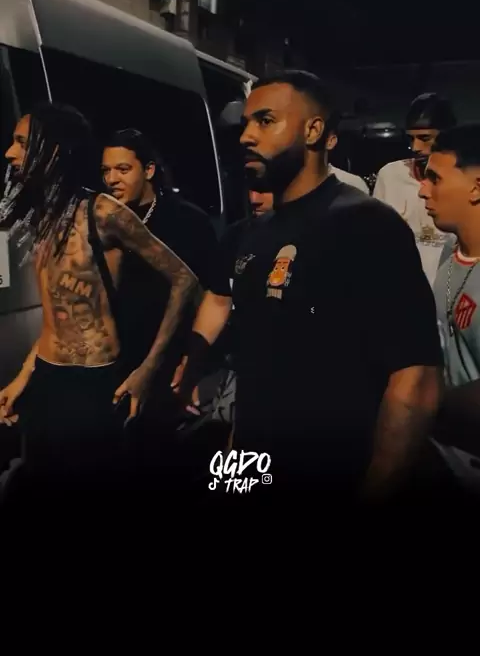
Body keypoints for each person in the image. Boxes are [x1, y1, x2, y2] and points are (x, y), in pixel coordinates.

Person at [180, 71, 443, 505]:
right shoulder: (252, 234)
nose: (246, 136)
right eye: (245, 124)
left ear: (314, 130)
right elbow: (258, 368)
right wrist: (233, 468)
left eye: (265, 121)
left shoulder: (366, 225)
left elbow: (415, 379)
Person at [0, 104, 198, 499]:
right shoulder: (43, 215)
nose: (9, 153)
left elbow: (184, 279)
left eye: (21, 142)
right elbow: (57, 313)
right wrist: (24, 375)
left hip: (93, 386)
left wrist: (148, 369)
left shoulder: (103, 212)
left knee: (92, 496)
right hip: (48, 379)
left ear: (53, 150)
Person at [101, 129, 231, 474]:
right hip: (115, 365)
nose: (112, 179)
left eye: (123, 169)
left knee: (159, 467)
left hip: (167, 368)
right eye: (106, 171)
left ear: (149, 170)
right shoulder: (102, 222)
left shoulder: (186, 220)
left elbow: (217, 294)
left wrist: (193, 362)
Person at [419, 124, 480, 496]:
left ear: (476, 187)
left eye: (434, 178)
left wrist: (417, 405)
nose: (422, 189)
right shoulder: (449, 251)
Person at [374, 92, 456, 285]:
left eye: (425, 138)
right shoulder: (390, 175)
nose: (415, 147)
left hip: (448, 288)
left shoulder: (462, 179)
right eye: (411, 139)